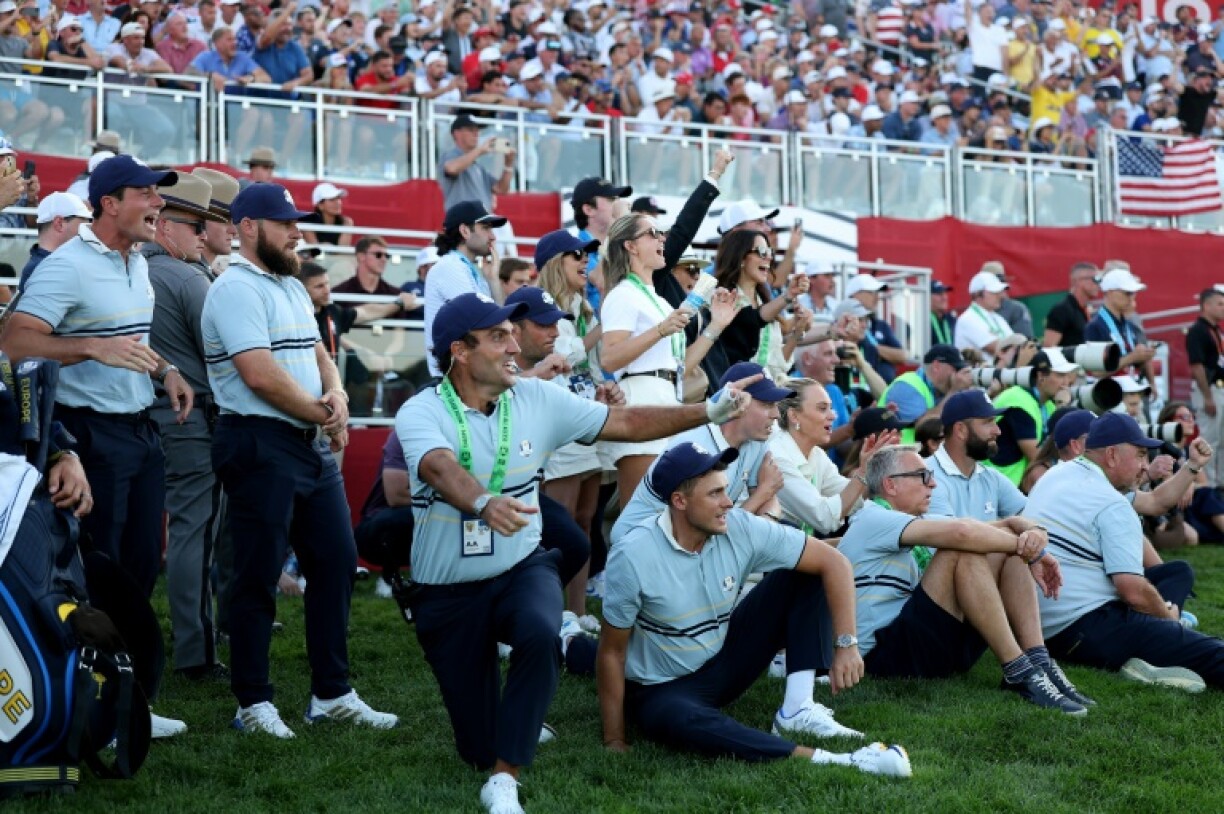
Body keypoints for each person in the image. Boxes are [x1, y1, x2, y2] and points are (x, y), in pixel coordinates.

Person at [395, 292, 755, 814]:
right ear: (460, 351)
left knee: (542, 630)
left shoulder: (537, 400)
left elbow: (628, 425)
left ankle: (505, 779)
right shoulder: (421, 411)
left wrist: (709, 409)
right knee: (475, 746)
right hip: (447, 590)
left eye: (510, 332)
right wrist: (481, 501)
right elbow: (437, 467)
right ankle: (501, 738)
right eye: (498, 336)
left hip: (521, 564)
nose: (514, 343)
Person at [0, 154, 194, 738]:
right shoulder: (67, 265)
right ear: (110, 203)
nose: (158, 204)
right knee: (97, 575)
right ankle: (89, 700)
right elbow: (13, 342)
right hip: (88, 435)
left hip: (138, 429)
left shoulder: (136, 262)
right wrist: (89, 348)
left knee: (136, 571)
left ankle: (127, 697)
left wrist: (166, 370)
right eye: (147, 194)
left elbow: (125, 341)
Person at [201, 182, 397, 738]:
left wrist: (333, 396)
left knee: (335, 564)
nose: (297, 231)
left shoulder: (287, 282)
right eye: (285, 223)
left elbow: (318, 353)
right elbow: (258, 374)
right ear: (247, 228)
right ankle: (252, 703)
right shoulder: (235, 288)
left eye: (297, 222)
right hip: (259, 441)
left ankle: (332, 693)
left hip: (306, 441)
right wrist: (323, 413)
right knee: (257, 575)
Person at [597, 443, 912, 777]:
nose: (729, 502)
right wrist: (613, 738)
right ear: (679, 501)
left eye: (726, 489)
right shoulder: (633, 555)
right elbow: (611, 653)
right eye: (715, 493)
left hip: (724, 661)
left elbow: (833, 561)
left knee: (803, 572)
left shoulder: (740, 525)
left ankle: (796, 707)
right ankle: (843, 760)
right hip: (662, 687)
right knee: (679, 719)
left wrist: (846, 643)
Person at [838, 444, 1089, 715]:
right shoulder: (873, 517)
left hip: (913, 642)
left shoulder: (910, 521)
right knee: (960, 551)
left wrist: (1032, 532)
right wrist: (1033, 550)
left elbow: (998, 527)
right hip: (880, 656)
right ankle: (1018, 670)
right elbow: (962, 533)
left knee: (1005, 552)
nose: (933, 484)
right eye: (923, 476)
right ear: (891, 485)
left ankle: (1038, 661)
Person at [1024, 413, 1224, 691]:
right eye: (1141, 454)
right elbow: (1132, 592)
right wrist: (1168, 621)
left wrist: (1191, 466)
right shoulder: (1111, 503)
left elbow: (1155, 502)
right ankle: (1154, 649)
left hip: (1039, 627)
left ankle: (1151, 657)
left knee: (1176, 574)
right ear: (1112, 456)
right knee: (1211, 651)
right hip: (1085, 626)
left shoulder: (1059, 473)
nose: (1146, 466)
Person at [142, 173, 230, 681]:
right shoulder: (187, 277)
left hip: (149, 416)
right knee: (195, 534)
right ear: (168, 227)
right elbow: (224, 350)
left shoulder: (134, 271)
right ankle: (196, 652)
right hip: (189, 418)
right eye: (197, 225)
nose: (204, 235)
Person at [599, 212, 724, 509]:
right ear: (630, 246)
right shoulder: (623, 294)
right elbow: (610, 357)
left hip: (667, 397)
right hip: (641, 401)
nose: (662, 239)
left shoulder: (657, 298)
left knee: (662, 511)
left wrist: (716, 326)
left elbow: (682, 367)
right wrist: (659, 330)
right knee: (639, 511)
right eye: (653, 233)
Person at [612, 361, 797, 544]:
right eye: (767, 404)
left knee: (786, 539)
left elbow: (770, 502)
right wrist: (763, 493)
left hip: (688, 541)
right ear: (738, 403)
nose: (776, 414)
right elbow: (709, 530)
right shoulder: (695, 449)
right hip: (642, 546)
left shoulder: (757, 440)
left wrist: (767, 520)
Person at [772, 378, 895, 535]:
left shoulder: (816, 454)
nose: (833, 416)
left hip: (798, 548)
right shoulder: (778, 457)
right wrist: (862, 473)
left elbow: (850, 498)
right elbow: (824, 518)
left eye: (831, 408)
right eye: (822, 408)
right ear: (794, 416)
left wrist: (872, 466)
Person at [710, 230, 809, 383]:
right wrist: (789, 295)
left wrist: (797, 332)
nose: (769, 257)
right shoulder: (721, 298)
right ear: (741, 257)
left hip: (767, 391)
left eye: (770, 251)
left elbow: (776, 365)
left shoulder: (765, 302)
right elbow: (751, 318)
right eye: (762, 252)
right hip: (734, 394)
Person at [423, 200, 505, 378]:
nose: (493, 237)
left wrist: (493, 280)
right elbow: (485, 322)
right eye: (486, 228)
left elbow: (497, 321)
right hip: (452, 379)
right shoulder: (450, 267)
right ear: (465, 231)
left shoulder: (467, 268)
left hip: (464, 374)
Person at [986, 349, 1081, 487]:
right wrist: (1062, 406)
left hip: (1014, 485)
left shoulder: (1047, 404)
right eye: (1060, 375)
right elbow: (1040, 457)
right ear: (1041, 375)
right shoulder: (1018, 400)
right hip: (998, 484)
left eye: (1067, 376)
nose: (1066, 383)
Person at [878, 344, 973, 444]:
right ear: (936, 366)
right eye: (957, 369)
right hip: (898, 454)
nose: (959, 376)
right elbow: (924, 426)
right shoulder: (907, 385)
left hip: (917, 454)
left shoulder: (940, 391)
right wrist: (954, 391)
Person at [1084, 267, 1155, 382]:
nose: (1131, 298)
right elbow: (1096, 372)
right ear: (1110, 292)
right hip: (1106, 395)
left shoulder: (1128, 325)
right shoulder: (1095, 326)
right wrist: (1132, 357)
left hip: (1128, 392)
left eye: (1133, 293)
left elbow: (1131, 365)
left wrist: (1144, 356)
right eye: (1127, 293)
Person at [437, 113, 516, 212]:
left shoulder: (478, 166)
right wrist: (480, 150)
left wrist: (508, 165)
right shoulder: (450, 155)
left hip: (480, 221)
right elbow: (451, 168)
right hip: (462, 221)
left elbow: (501, 189)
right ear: (456, 133)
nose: (476, 134)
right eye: (471, 130)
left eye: (477, 130)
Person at [1186, 286, 1224, 488]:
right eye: (1220, 304)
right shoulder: (1198, 331)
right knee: (1210, 439)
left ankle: (1220, 482)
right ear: (1206, 305)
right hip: (1209, 389)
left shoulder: (1215, 330)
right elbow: (1197, 365)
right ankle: (1206, 484)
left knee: (1222, 438)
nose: (1223, 308)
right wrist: (1207, 396)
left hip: (1219, 388)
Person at [18, 192, 91, 290]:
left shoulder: (44, 266)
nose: (88, 228)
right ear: (59, 223)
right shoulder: (49, 270)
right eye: (84, 222)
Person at [954, 270, 1016, 364]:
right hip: (978, 377)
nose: (1000, 296)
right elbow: (998, 348)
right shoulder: (968, 319)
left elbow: (1014, 343)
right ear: (978, 294)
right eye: (994, 292)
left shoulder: (997, 318)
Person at [190, 167, 240, 275]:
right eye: (224, 219)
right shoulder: (191, 275)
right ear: (199, 218)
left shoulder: (204, 272)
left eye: (234, 220)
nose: (234, 231)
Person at [1042, 262, 1100, 347]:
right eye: (1095, 279)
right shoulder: (1061, 310)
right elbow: (1048, 348)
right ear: (1077, 281)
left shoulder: (1086, 310)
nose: (1098, 284)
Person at [299, 182, 354, 247]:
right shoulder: (308, 223)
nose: (338, 202)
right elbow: (315, 251)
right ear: (320, 205)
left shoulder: (346, 222)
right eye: (332, 199)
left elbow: (342, 250)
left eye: (338, 198)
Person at [929, 280, 956, 348]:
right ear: (927, 297)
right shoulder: (922, 321)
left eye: (945, 293)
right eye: (939, 294)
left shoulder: (951, 319)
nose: (944, 297)